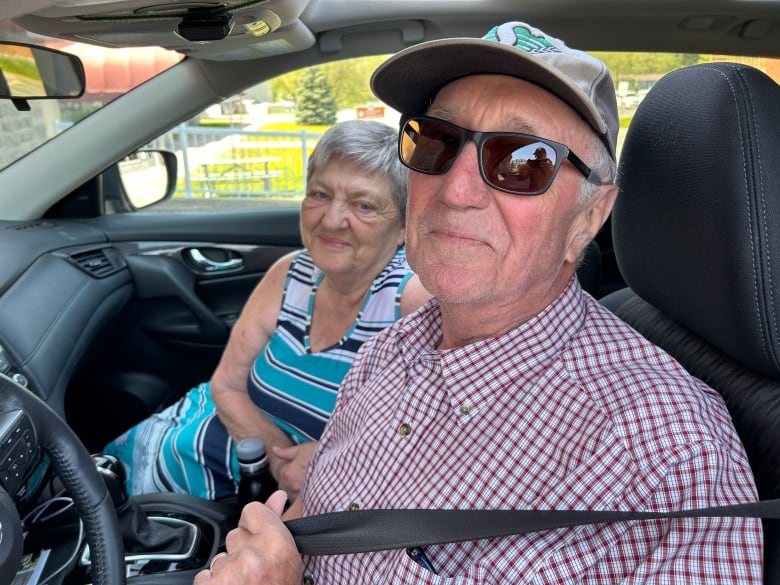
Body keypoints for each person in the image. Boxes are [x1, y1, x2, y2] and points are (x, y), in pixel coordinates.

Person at [195, 21, 763, 584]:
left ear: (588, 218)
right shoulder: (387, 352)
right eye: (436, 142)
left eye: (523, 162)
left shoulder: (664, 459)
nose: (455, 190)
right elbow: (314, 516)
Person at [103, 119, 431, 503]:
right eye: (320, 195)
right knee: (78, 485)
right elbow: (225, 385)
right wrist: (278, 460)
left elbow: (434, 448)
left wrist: (335, 466)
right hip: (183, 438)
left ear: (403, 228)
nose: (331, 220)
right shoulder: (291, 272)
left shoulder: (410, 304)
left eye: (364, 205)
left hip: (240, 501)